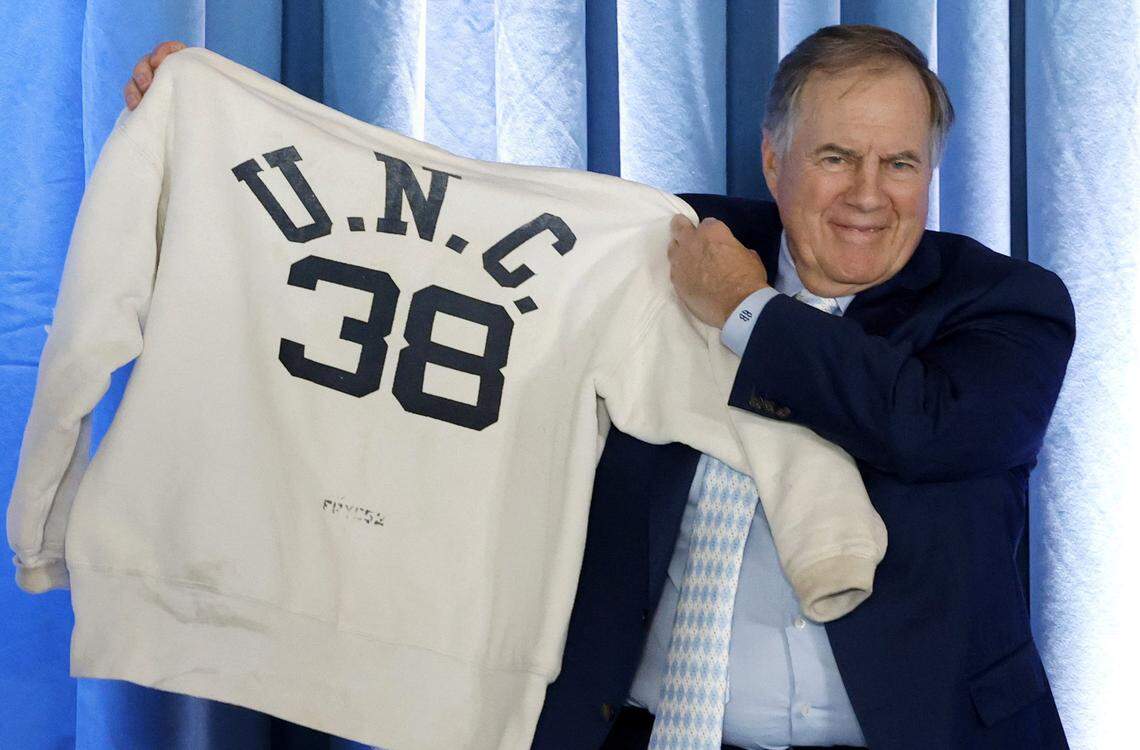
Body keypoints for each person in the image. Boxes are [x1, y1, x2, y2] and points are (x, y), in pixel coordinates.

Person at [126, 23, 1072, 749]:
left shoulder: (1008, 305)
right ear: (775, 160)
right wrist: (213, 138)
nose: (869, 193)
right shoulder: (656, 246)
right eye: (836, 157)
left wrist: (748, 311)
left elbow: (930, 429)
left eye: (900, 163)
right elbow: (433, 235)